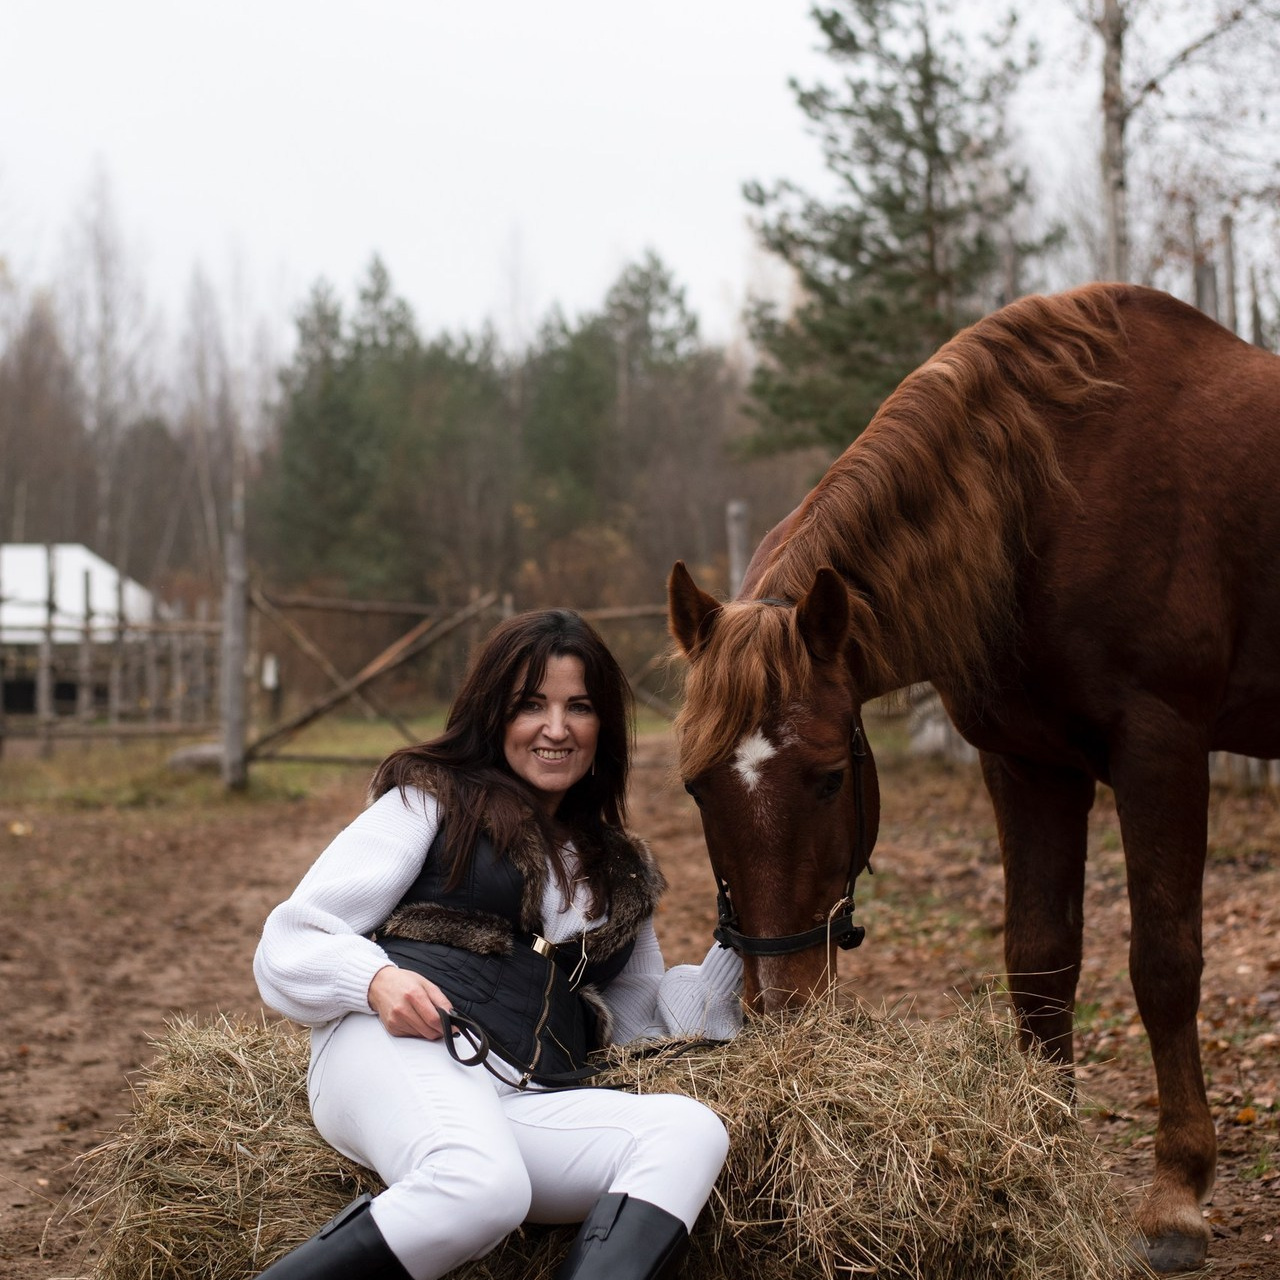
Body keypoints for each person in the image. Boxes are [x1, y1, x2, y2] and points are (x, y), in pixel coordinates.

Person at [253, 608, 743, 1280]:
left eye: (579, 707)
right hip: (399, 1053)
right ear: (494, 715)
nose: (556, 729)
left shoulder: (621, 870)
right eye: (530, 706)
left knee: (689, 1131)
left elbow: (641, 1031)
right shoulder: (432, 797)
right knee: (482, 1188)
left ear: (605, 726)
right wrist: (374, 982)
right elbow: (294, 935)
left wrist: (736, 948)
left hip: (525, 1096)